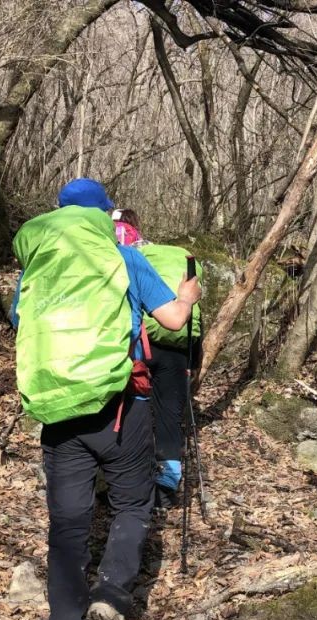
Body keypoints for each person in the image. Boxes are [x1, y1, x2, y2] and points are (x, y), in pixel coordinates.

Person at [11, 179, 201, 620]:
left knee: (68, 526)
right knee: (132, 503)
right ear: (105, 215)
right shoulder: (125, 258)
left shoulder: (38, 265)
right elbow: (173, 321)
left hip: (57, 410)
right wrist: (187, 294)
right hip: (121, 408)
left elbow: (18, 321)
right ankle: (112, 593)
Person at [112, 209, 202, 509]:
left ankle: (123, 477)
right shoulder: (168, 255)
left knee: (127, 409)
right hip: (176, 345)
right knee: (169, 416)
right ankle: (166, 483)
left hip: (138, 343)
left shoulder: (114, 254)